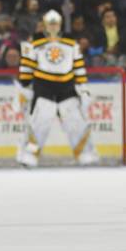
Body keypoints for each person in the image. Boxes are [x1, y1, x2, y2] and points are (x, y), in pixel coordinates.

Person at [16, 10, 99, 167]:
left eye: (56, 24)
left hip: (66, 85)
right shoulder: (35, 42)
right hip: (43, 85)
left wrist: (83, 87)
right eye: (50, 24)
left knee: (75, 121)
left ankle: (85, 153)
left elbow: (78, 65)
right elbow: (27, 67)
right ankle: (29, 154)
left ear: (60, 24)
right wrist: (24, 86)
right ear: (45, 25)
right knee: (40, 122)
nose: (53, 27)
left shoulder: (70, 42)